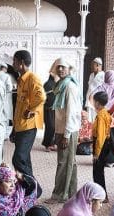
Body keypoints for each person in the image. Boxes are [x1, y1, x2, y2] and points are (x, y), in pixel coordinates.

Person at [49, 58, 81, 203]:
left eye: (63, 67)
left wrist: (66, 135)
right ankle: (70, 193)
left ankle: (59, 194)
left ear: (69, 69)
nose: (60, 69)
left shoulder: (69, 87)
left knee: (64, 163)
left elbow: (72, 112)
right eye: (58, 67)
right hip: (63, 129)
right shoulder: (61, 85)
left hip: (68, 130)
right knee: (69, 162)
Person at [12, 50, 45, 187]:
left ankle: (34, 187)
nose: (13, 64)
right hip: (20, 125)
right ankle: (29, 191)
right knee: (24, 159)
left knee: (18, 159)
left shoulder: (32, 78)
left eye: (14, 61)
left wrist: (31, 110)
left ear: (21, 63)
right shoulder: (21, 79)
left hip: (29, 126)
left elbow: (41, 97)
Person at [91, 92, 113, 200]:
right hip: (105, 144)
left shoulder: (100, 116)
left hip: (101, 145)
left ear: (98, 103)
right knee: (99, 171)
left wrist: (96, 153)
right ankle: (102, 195)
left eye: (94, 101)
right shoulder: (105, 112)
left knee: (97, 172)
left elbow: (100, 137)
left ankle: (101, 196)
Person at [41, 73, 59, 151]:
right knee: (50, 126)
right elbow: (44, 97)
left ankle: (53, 143)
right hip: (48, 109)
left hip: (56, 109)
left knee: (55, 127)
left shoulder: (57, 84)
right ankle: (47, 144)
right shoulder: (47, 84)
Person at [85, 57, 105, 122]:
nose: (91, 67)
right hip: (89, 99)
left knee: (96, 117)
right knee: (89, 119)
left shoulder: (103, 75)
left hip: (97, 100)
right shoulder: (91, 75)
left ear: (97, 65)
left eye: (92, 65)